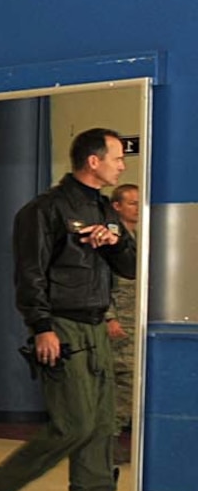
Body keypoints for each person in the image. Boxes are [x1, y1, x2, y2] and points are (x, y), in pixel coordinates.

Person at [0, 129, 138, 491]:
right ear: (93, 161)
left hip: (97, 326)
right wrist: (41, 325)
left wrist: (116, 240)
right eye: (117, 157)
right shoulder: (44, 210)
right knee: (75, 424)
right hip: (61, 327)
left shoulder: (106, 209)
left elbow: (132, 266)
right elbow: (29, 272)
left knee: (102, 431)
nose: (122, 164)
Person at [107, 181, 140, 464]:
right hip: (118, 323)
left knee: (128, 383)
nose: (137, 208)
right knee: (123, 383)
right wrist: (110, 317)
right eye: (131, 203)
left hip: (134, 321)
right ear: (117, 206)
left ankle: (112, 437)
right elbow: (101, 283)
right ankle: (110, 439)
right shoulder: (112, 239)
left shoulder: (137, 237)